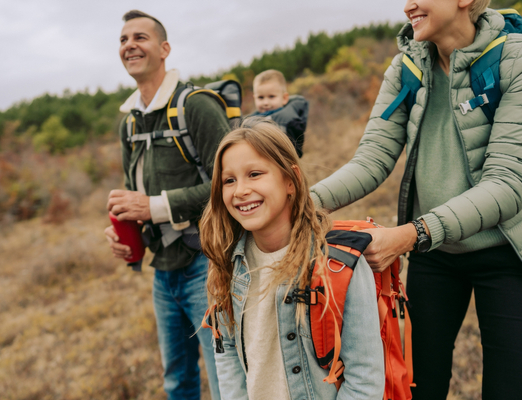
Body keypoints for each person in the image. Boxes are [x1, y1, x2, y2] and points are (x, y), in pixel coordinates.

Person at [309, 1, 522, 399]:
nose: (407, 5)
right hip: (436, 252)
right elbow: (372, 159)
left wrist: (411, 234)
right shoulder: (406, 68)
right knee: (416, 386)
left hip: (511, 250)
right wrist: (300, 206)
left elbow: (508, 181)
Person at [199, 119, 385, 400]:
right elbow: (228, 360)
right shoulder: (226, 263)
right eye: (229, 180)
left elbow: (364, 380)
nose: (240, 191)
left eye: (254, 174)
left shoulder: (338, 263)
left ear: (291, 180)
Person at [104, 10, 228, 400]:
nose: (129, 45)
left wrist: (153, 207)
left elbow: (229, 185)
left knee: (226, 375)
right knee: (177, 380)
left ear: (164, 48)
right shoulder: (128, 122)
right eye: (124, 40)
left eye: (140, 37)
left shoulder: (197, 105)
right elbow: (133, 193)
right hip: (164, 273)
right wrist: (125, 232)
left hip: (207, 265)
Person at [250, 69, 308, 157]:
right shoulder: (249, 121)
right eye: (260, 97)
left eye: (271, 96)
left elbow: (296, 152)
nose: (266, 103)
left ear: (284, 98)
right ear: (254, 98)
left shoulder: (289, 120)